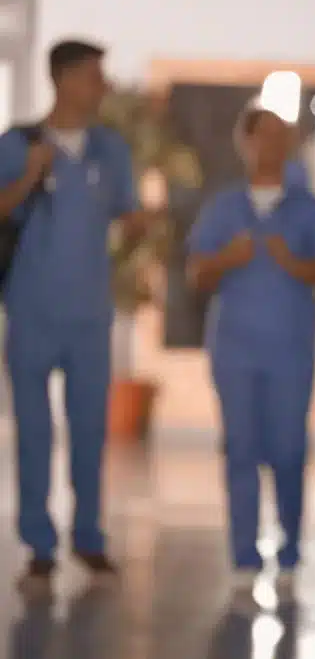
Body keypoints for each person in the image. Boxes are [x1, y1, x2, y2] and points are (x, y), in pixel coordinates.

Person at [0, 39, 150, 591]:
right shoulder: (17, 145)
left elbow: (127, 212)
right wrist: (27, 177)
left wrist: (137, 225)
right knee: (34, 432)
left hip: (90, 315)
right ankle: (38, 547)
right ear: (63, 80)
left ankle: (88, 539)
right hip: (31, 311)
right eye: (93, 76)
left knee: (90, 431)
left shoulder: (112, 149)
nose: (103, 86)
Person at [187, 107, 315, 591]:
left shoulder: (308, 209)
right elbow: (195, 274)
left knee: (289, 450)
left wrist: (295, 264)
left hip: (290, 350)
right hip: (234, 349)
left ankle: (291, 549)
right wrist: (225, 259)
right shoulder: (223, 208)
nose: (272, 145)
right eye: (263, 136)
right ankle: (243, 556)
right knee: (239, 449)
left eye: (281, 136)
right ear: (245, 143)